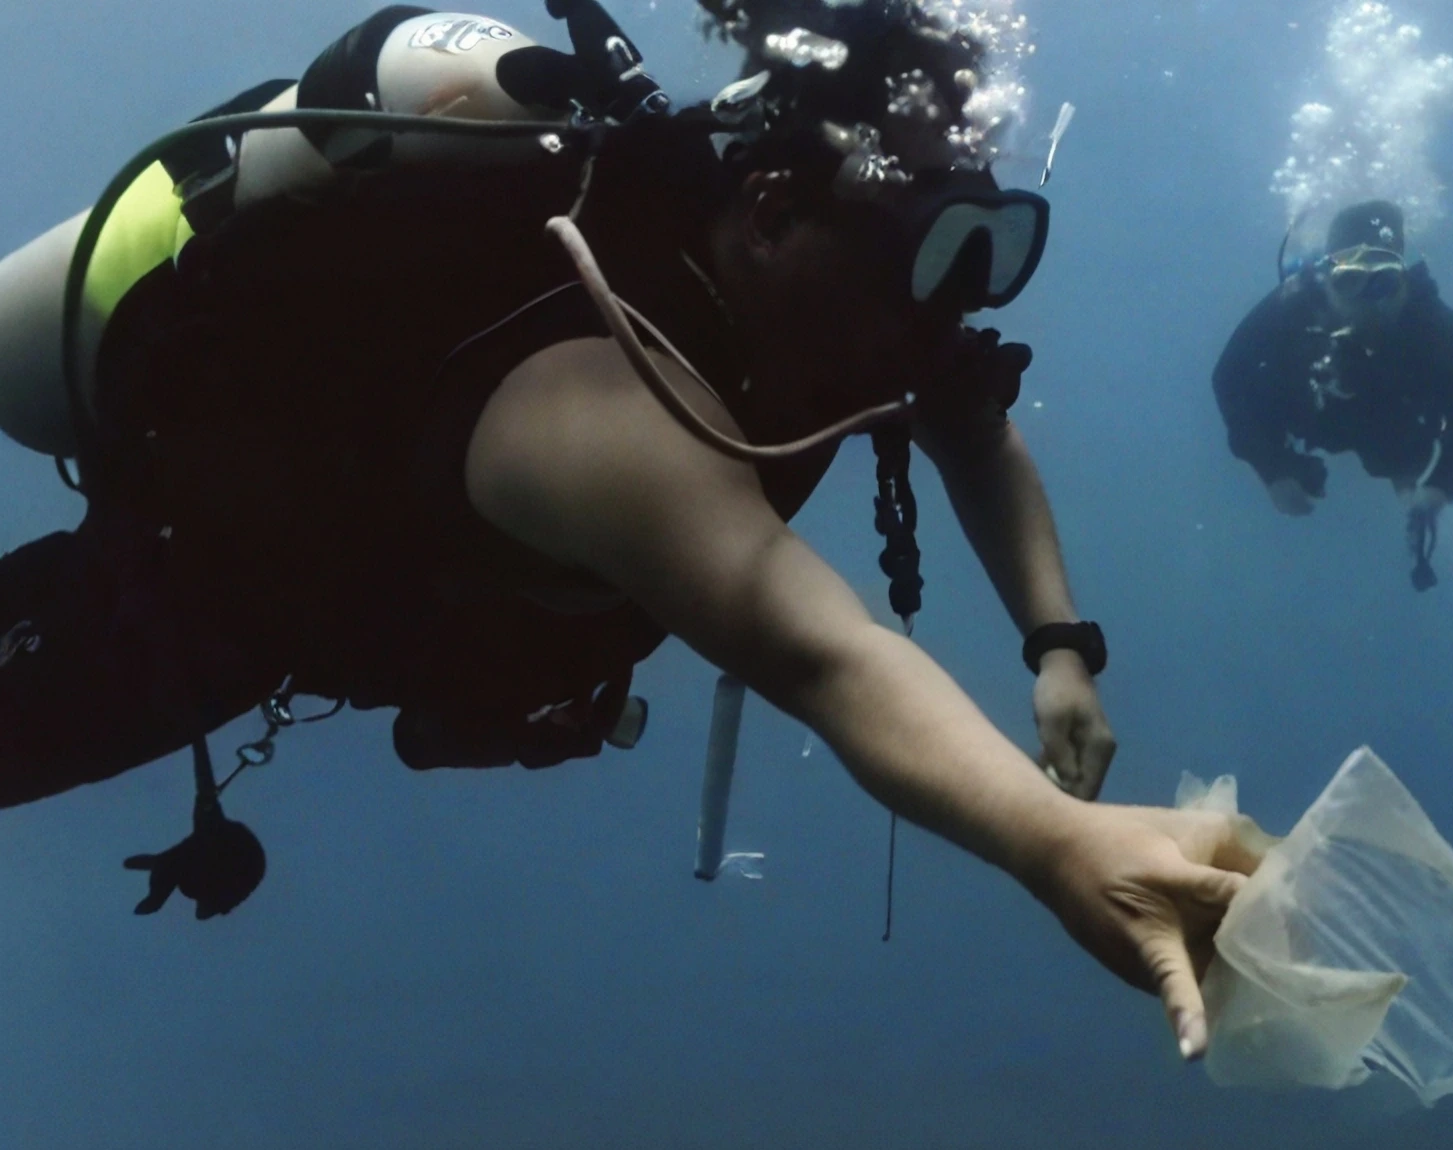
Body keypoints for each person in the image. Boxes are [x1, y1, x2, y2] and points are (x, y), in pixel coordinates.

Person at [0, 0, 1265, 1059]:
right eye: (931, 253)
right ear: (768, 215)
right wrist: (1053, 842)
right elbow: (816, 648)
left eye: (986, 250)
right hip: (200, 594)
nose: (949, 310)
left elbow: (974, 434)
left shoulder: (854, 305)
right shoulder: (597, 403)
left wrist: (1057, 646)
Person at [1211, 200, 1453, 591]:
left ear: (1403, 279)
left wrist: (1443, 481)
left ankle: (1405, 479)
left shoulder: (1430, 320)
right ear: (1326, 277)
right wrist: (1271, 468)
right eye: (1349, 282)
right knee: (1269, 390)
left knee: (1406, 461)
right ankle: (1389, 475)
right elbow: (1229, 377)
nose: (1367, 303)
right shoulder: (1297, 299)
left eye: (1382, 283)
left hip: (1390, 417)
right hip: (1310, 410)